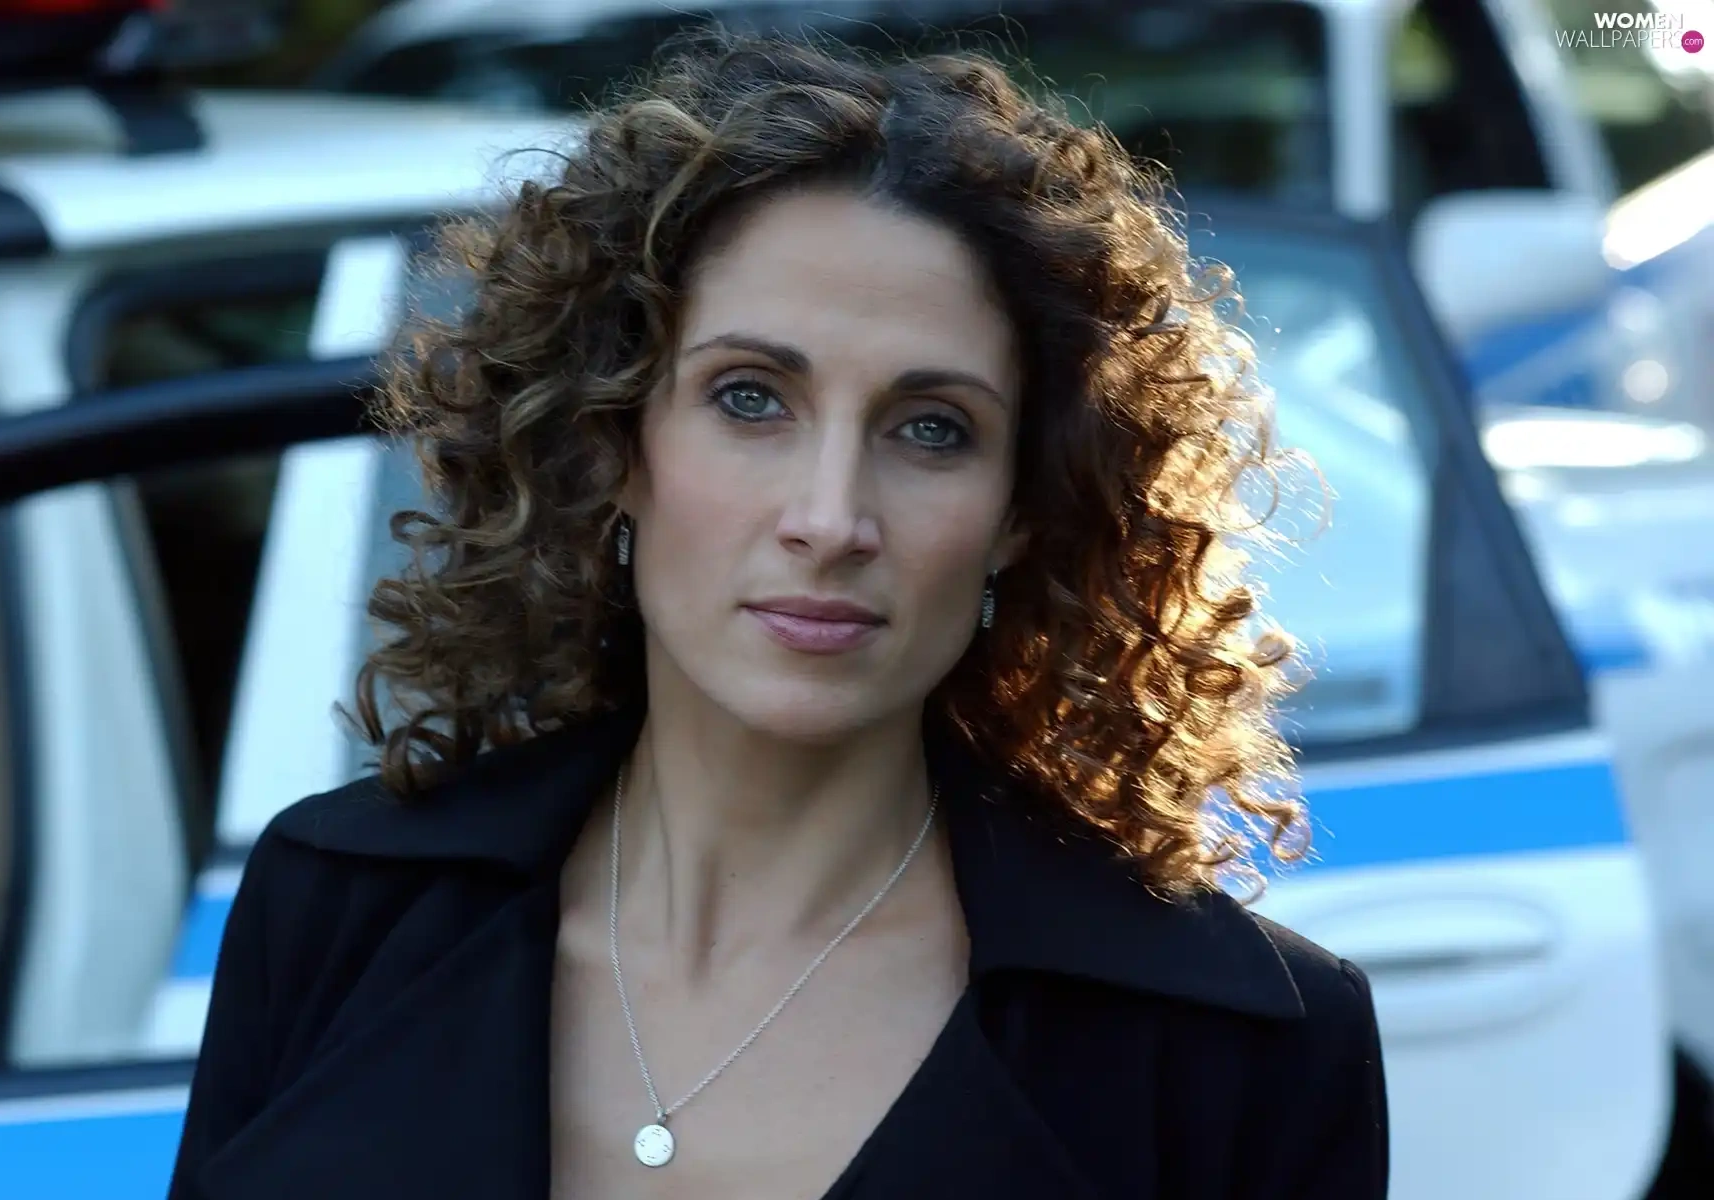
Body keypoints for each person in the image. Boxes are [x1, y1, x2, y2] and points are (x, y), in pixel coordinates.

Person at [167, 29, 1387, 1200]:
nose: (830, 517)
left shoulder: (1234, 1051)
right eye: (751, 399)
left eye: (932, 429)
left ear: (1023, 509)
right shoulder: (339, 909)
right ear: (615, 441)